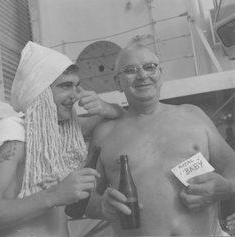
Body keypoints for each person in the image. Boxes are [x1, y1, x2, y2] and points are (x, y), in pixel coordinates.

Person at [85, 43, 235, 236]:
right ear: (117, 82)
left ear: (161, 74)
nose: (142, 75)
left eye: (150, 67)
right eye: (130, 70)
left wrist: (228, 187)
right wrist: (101, 206)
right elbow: (84, 197)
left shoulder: (193, 115)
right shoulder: (104, 134)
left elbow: (231, 163)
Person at [0, 41, 125, 237]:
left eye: (77, 86)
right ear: (40, 91)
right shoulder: (12, 135)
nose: (75, 96)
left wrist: (107, 107)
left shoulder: (63, 133)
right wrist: (54, 195)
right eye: (66, 86)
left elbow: (119, 114)